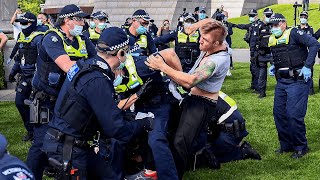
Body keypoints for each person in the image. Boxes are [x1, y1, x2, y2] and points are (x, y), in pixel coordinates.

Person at [42, 27, 154, 180]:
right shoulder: (98, 79)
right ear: (120, 53)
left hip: (70, 141)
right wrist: (144, 124)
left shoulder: (85, 65)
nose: (127, 57)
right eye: (126, 52)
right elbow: (116, 129)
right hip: (68, 148)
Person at [146, 19, 230, 179]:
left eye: (204, 40)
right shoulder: (217, 40)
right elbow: (212, 22)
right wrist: (194, 27)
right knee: (169, 133)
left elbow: (190, 81)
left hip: (202, 105)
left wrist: (163, 67)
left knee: (180, 142)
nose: (200, 41)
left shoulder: (216, 61)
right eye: (200, 37)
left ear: (217, 43)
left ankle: (174, 176)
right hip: (191, 98)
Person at [28, 4, 96, 179]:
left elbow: (97, 60)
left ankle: (59, 170)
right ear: (67, 20)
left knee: (66, 141)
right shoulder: (52, 38)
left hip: (69, 101)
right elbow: (68, 66)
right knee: (42, 143)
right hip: (47, 101)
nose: (83, 23)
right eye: (79, 19)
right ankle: (29, 176)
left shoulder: (82, 39)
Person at [268, 14, 320, 158]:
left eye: (276, 25)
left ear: (284, 23)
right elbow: (282, 55)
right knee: (279, 114)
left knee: (293, 115)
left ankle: (301, 147)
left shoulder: (295, 33)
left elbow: (315, 44)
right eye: (271, 26)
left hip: (298, 81)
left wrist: (308, 66)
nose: (274, 28)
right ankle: (286, 145)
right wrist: (274, 65)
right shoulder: (272, 39)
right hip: (282, 82)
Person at [191, 91, 261, 169]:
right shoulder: (208, 88)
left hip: (229, 130)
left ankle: (242, 152)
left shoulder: (195, 97)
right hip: (231, 127)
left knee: (201, 157)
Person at [8, 12, 44, 142]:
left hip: (36, 77)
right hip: (24, 77)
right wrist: (12, 72)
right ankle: (30, 130)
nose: (22, 26)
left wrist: (39, 79)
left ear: (32, 23)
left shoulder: (39, 38)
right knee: (19, 102)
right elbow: (18, 58)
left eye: (25, 23)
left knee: (35, 106)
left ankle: (37, 133)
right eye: (20, 23)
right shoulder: (21, 36)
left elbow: (43, 60)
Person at [233, 9, 261, 93]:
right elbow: (244, 26)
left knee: (256, 69)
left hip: (257, 51)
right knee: (252, 68)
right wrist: (234, 25)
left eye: (252, 16)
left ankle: (258, 87)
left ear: (256, 16)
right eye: (250, 16)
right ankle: (253, 85)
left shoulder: (259, 25)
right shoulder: (252, 25)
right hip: (252, 50)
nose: (251, 18)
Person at [254, 8, 273, 98]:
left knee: (278, 72)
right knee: (262, 74)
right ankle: (262, 92)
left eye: (270, 15)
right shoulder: (259, 26)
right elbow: (254, 40)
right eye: (267, 16)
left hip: (273, 53)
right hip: (262, 53)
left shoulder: (274, 25)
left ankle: (282, 90)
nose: (269, 17)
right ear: (264, 16)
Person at [297, 11, 315, 95]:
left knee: (309, 71)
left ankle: (310, 90)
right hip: (299, 53)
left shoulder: (310, 29)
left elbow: (312, 40)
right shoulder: (296, 28)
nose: (303, 18)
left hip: (307, 54)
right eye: (302, 16)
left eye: (305, 17)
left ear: (307, 18)